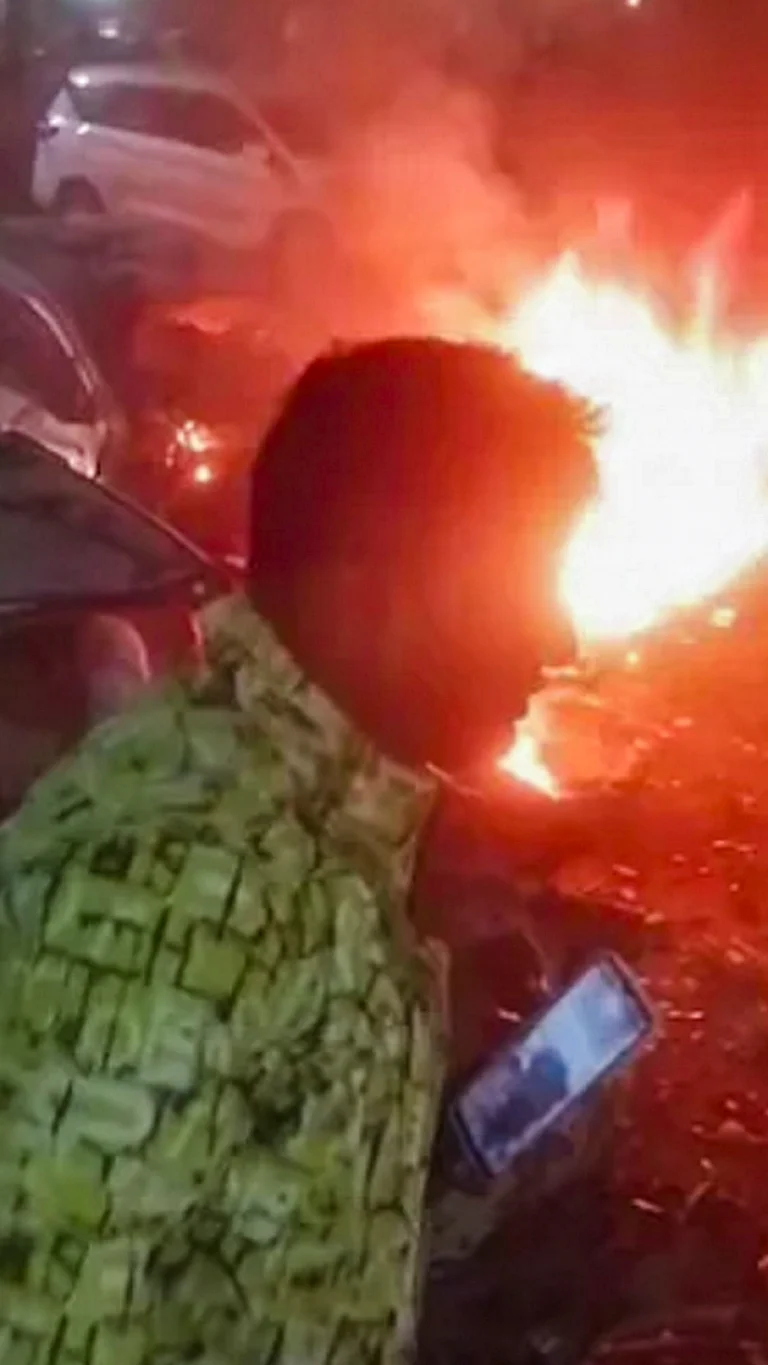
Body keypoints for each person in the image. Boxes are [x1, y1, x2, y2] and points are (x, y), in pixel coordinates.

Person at [0, 337, 596, 1364]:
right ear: (375, 580)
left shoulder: (322, 840)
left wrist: (473, 1168)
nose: (561, 638)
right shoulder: (180, 887)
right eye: (524, 579)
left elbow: (266, 1250)